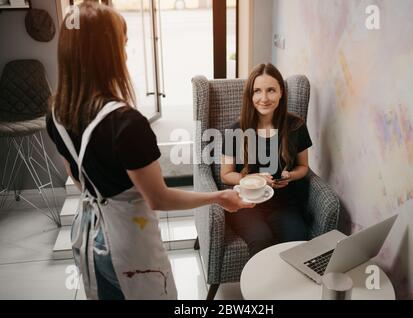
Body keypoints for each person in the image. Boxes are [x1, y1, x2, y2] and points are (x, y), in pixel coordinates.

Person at [46, 2, 253, 300]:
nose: (126, 52)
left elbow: (78, 179)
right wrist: (219, 197)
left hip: (90, 238)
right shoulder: (126, 123)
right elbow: (158, 198)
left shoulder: (55, 112)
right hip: (128, 246)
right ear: (108, 54)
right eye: (123, 44)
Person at [221, 63, 312, 256]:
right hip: (246, 204)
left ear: (281, 93)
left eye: (271, 90)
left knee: (299, 241)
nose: (264, 98)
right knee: (262, 240)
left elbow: (303, 167)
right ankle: (259, 287)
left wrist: (291, 175)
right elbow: (226, 175)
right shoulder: (234, 130)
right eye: (257, 91)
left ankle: (290, 286)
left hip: (284, 204)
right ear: (250, 95)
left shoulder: (296, 126)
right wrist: (252, 179)